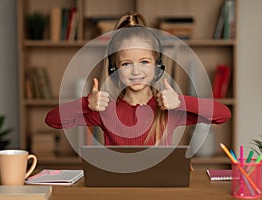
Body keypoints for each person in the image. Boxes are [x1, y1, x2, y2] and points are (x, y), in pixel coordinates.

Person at [45, 12, 231, 146]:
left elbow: (223, 114)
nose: (136, 71)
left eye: (144, 62)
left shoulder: (169, 108)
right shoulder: (105, 108)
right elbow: (52, 120)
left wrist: (180, 101)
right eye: (126, 64)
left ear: (157, 66)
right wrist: (86, 104)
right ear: (114, 69)